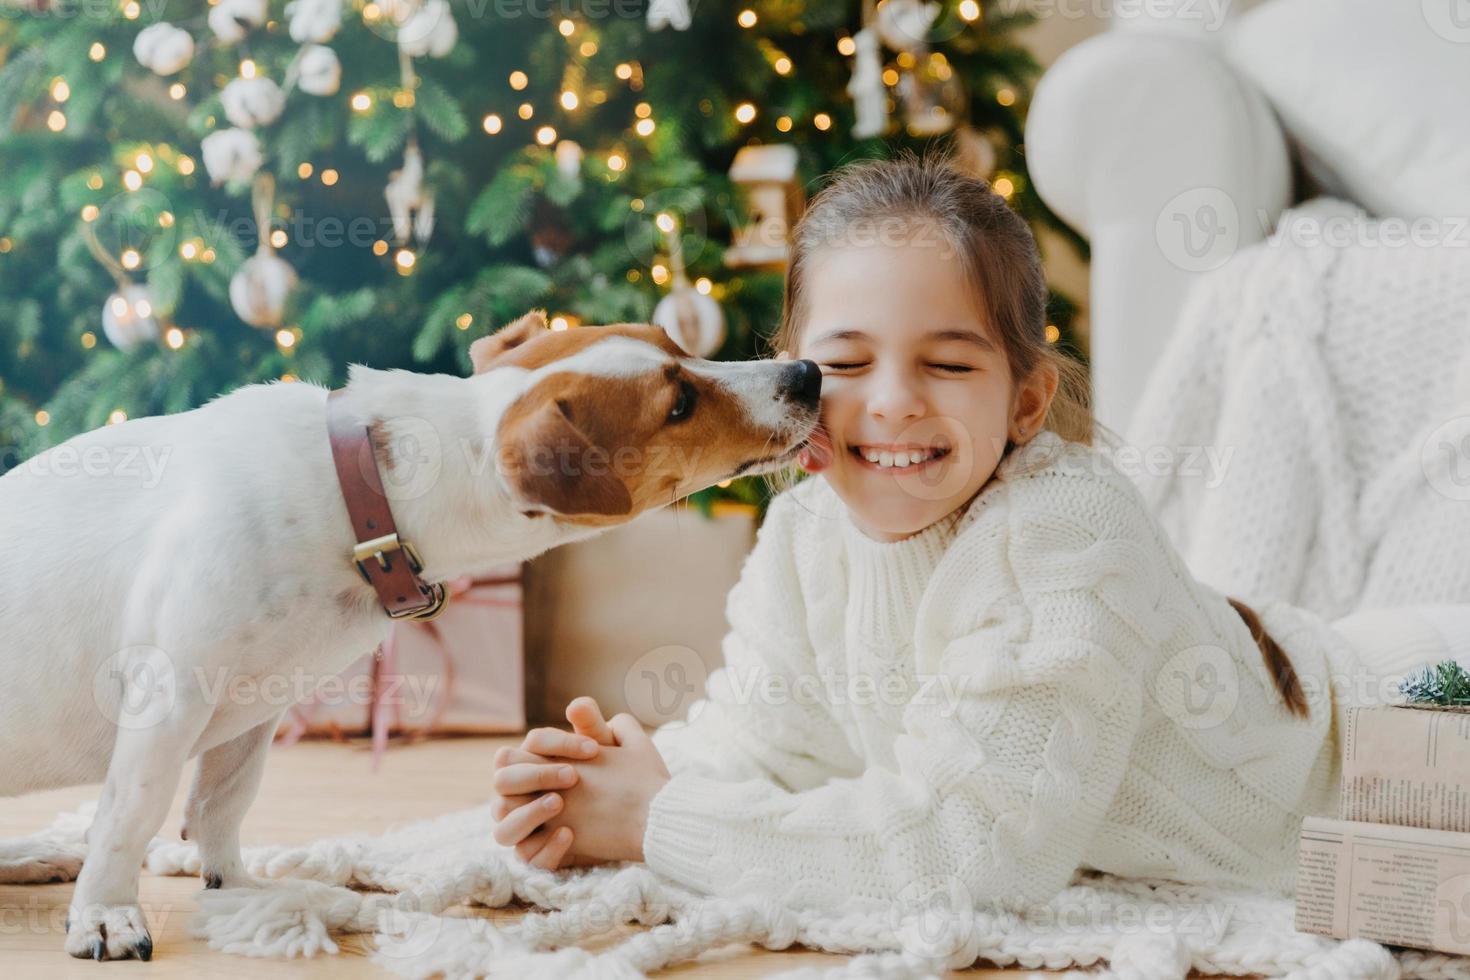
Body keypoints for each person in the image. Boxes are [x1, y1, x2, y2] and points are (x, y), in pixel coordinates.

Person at [486, 152, 1470, 911]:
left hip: (1410, 724)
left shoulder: (1066, 534)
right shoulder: (805, 531)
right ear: (791, 386)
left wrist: (659, 819)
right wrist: (601, 784)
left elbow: (969, 850)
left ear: (1028, 400)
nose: (894, 404)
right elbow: (770, 740)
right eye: (847, 363)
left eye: (949, 365)